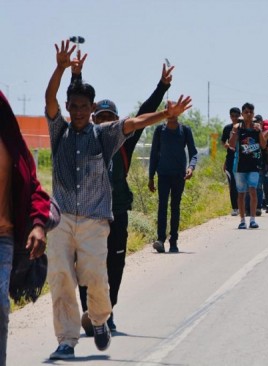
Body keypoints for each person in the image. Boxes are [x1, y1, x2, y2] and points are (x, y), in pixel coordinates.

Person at [45, 39, 192, 360]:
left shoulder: (108, 136)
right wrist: (63, 69)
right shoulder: (60, 132)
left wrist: (166, 111)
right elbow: (55, 99)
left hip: (99, 218)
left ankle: (99, 319)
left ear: (97, 110)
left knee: (98, 276)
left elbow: (137, 120)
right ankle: (66, 339)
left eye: (88, 107)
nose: (82, 112)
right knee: (61, 277)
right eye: (77, 107)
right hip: (62, 217)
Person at [71, 59, 174, 336]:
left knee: (115, 262)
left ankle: (107, 310)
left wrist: (162, 87)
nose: (105, 121)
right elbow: (75, 101)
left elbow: (144, 113)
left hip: (117, 211)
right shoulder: (84, 137)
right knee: (86, 264)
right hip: (88, 213)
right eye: (100, 117)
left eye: (109, 118)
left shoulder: (124, 141)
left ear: (116, 121)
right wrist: (76, 74)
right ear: (94, 119)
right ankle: (89, 312)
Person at [0, 91, 59, 366]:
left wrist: (38, 225)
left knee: (0, 307)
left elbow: (34, 187)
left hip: (3, 238)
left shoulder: (12, 146)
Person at [149, 103, 198, 253]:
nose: (172, 114)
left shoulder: (185, 130)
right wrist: (151, 176)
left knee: (175, 207)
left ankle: (174, 241)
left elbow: (193, 153)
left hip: (179, 175)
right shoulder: (159, 130)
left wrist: (191, 168)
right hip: (163, 174)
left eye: (175, 111)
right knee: (162, 206)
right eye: (169, 111)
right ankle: (161, 240)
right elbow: (154, 154)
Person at [228, 103, 266, 229]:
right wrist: (235, 131)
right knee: (241, 193)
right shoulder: (237, 127)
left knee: (253, 190)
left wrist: (260, 131)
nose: (248, 114)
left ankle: (253, 219)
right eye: (246, 112)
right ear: (242, 114)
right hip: (239, 165)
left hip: (254, 165)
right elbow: (232, 145)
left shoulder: (256, 128)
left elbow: (264, 145)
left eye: (251, 112)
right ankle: (242, 220)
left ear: (253, 113)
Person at [221, 107, 241, 216]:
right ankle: (235, 207)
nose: (234, 118)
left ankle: (245, 206)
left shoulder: (244, 127)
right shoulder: (227, 128)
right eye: (232, 116)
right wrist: (227, 145)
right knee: (232, 184)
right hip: (230, 159)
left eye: (236, 116)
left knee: (242, 183)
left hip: (242, 159)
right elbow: (223, 141)